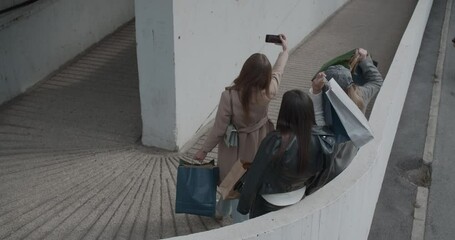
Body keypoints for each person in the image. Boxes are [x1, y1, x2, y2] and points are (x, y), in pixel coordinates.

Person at [194, 34, 289, 222]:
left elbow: (219, 130)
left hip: (234, 149)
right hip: (260, 143)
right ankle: (225, 212)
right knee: (247, 183)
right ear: (266, 76)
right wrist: (285, 50)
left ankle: (231, 219)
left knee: (230, 182)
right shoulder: (269, 90)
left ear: (245, 71)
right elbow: (279, 71)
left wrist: (203, 151)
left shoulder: (229, 96)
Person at [236, 89, 335, 218]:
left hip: (270, 200)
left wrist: (243, 206)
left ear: (285, 112)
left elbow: (255, 175)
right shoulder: (323, 140)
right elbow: (324, 172)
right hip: (299, 194)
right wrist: (309, 190)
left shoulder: (276, 140)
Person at [306, 48, 383, 193]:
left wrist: (316, 91)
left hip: (331, 152)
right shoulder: (361, 95)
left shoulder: (325, 101)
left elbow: (319, 121)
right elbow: (377, 81)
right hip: (352, 148)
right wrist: (365, 59)